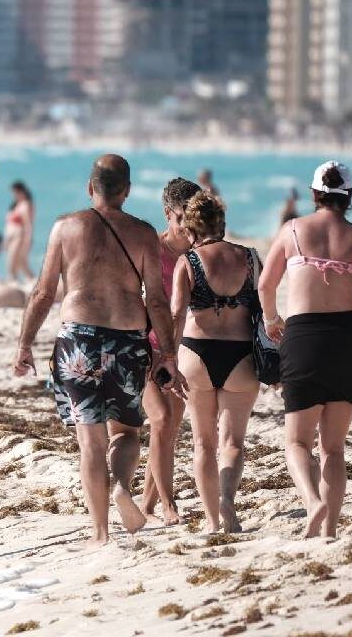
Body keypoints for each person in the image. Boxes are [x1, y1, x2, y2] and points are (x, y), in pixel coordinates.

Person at [13, 154, 185, 547]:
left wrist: (24, 344)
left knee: (89, 440)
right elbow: (157, 301)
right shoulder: (143, 234)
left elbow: (42, 292)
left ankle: (100, 531)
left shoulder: (64, 228)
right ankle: (122, 486)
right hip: (127, 340)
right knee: (125, 432)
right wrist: (169, 355)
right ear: (126, 191)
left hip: (77, 340)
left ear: (90, 188)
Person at [259, 160, 352, 539]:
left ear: (315, 193)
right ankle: (331, 529)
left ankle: (312, 502)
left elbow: (266, 285)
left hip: (302, 337)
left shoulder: (292, 231)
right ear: (348, 196)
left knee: (297, 441)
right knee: (333, 448)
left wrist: (272, 321)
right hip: (349, 338)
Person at [170, 191, 260, 534]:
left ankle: (211, 520)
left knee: (203, 443)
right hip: (240, 356)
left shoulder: (188, 262)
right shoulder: (250, 258)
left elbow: (177, 313)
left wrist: (167, 358)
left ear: (192, 229)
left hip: (196, 353)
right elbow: (262, 309)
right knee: (233, 442)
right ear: (222, 223)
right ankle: (227, 502)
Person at [140, 177, 202, 526]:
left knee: (168, 432)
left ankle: (147, 506)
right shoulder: (152, 251)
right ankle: (168, 505)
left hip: (179, 353)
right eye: (182, 217)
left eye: (194, 216)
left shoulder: (197, 253)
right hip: (146, 350)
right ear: (168, 215)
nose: (189, 225)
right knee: (161, 421)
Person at [3, 181, 35, 282]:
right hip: (11, 237)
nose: (13, 195)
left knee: (13, 262)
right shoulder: (16, 205)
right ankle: (31, 280)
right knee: (21, 263)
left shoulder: (25, 205)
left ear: (21, 192)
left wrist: (28, 239)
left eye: (15, 192)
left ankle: (16, 282)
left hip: (19, 237)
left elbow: (28, 223)